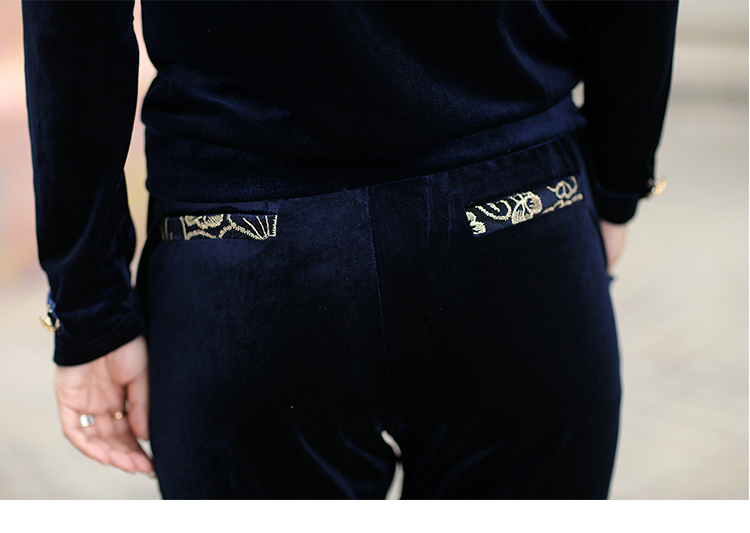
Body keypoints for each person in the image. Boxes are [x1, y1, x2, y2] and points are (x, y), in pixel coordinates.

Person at [23, 1, 677, 499]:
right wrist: (619, 179)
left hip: (243, 251)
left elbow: (72, 26)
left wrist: (91, 307)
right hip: (519, 211)